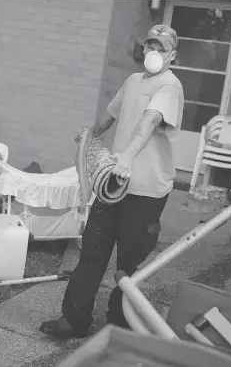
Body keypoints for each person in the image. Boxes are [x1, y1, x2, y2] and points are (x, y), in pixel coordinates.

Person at [39, 24, 184, 339]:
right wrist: (89, 136)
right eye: (150, 46)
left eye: (161, 48)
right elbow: (109, 117)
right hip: (113, 183)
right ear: (143, 49)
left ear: (172, 54)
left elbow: (150, 121)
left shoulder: (170, 87)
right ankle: (74, 320)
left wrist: (128, 155)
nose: (154, 53)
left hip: (146, 191)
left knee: (130, 264)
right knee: (92, 250)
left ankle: (118, 326)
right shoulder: (132, 81)